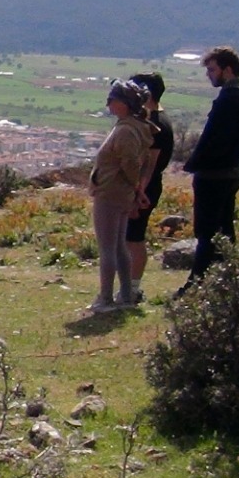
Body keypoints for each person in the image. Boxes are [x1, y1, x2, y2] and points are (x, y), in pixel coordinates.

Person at [179, 46, 239, 290]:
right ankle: (228, 280)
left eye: (212, 69)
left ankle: (196, 285)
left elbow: (213, 138)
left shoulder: (229, 98)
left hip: (214, 174)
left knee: (207, 232)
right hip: (233, 171)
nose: (209, 74)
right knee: (224, 229)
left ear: (227, 69)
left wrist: (196, 163)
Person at [87, 80, 157, 314]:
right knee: (118, 246)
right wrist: (136, 189)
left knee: (107, 247)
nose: (108, 104)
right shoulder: (136, 126)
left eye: (112, 100)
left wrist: (134, 186)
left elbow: (130, 163)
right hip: (121, 192)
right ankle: (125, 295)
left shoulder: (126, 130)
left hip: (111, 192)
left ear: (124, 103)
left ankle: (106, 298)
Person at [124, 72, 174, 302]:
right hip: (146, 186)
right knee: (130, 237)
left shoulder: (155, 124)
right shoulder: (156, 119)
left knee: (134, 238)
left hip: (145, 188)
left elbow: (150, 164)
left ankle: (132, 290)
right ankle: (129, 287)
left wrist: (139, 191)